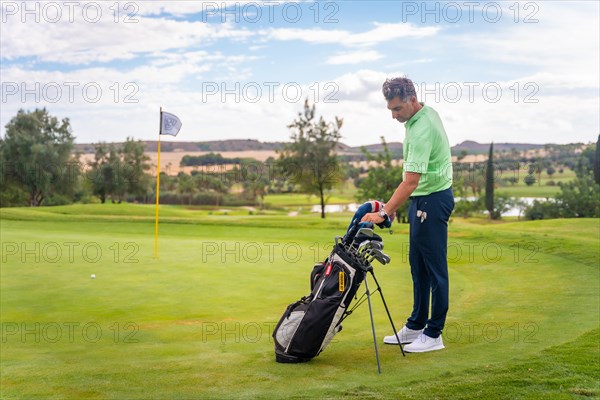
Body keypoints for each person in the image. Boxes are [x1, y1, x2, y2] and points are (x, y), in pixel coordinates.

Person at [361, 77, 454, 353]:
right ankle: (416, 325)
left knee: (435, 268)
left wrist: (385, 212)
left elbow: (411, 181)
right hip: (423, 199)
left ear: (412, 100)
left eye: (398, 109)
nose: (394, 115)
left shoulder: (422, 127)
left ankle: (434, 333)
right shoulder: (421, 115)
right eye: (390, 109)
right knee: (418, 264)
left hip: (432, 200)